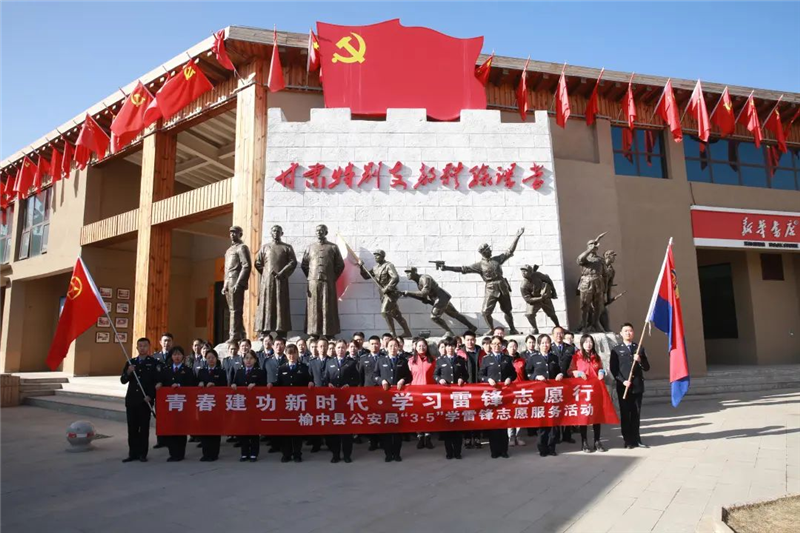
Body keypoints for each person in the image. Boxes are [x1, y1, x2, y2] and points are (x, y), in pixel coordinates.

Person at [610, 323, 650, 449]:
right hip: (624, 387)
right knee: (625, 414)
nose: (628, 333)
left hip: (637, 386)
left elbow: (647, 367)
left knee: (636, 414)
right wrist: (623, 381)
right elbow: (614, 369)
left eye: (630, 331)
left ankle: (637, 439)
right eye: (625, 331)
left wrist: (640, 360)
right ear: (621, 334)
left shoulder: (639, 348)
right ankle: (627, 440)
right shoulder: (616, 350)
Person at [121, 337, 161, 463]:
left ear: (149, 347)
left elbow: (157, 382)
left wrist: (151, 396)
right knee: (132, 429)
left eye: (145, 346)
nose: (142, 348)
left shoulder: (154, 363)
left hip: (145, 401)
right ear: (137, 348)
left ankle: (142, 453)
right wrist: (128, 372)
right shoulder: (131, 362)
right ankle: (132, 453)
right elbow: (123, 380)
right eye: (140, 346)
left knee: (143, 429)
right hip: (132, 400)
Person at [525, 334, 564, 457]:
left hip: (552, 394)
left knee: (553, 422)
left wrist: (560, 375)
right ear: (539, 344)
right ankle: (542, 448)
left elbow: (559, 371)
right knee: (542, 422)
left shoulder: (554, 357)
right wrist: (536, 377)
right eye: (542, 343)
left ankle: (552, 447)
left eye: (547, 342)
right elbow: (527, 373)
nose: (545, 345)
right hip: (540, 394)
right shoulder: (533, 357)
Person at [157, 346, 197, 462]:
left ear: (183, 357)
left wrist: (179, 386)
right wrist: (160, 384)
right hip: (170, 405)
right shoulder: (166, 370)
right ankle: (172, 453)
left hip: (183, 405)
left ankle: (180, 453)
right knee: (171, 428)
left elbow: (192, 385)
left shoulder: (187, 370)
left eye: (179, 354)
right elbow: (162, 382)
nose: (177, 357)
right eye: (174, 355)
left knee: (181, 429)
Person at [569, 334, 608, 453]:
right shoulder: (576, 357)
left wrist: (602, 372)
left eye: (590, 342)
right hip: (582, 391)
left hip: (595, 390)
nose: (588, 344)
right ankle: (584, 442)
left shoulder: (596, 357)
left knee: (596, 416)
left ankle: (597, 441)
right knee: (584, 416)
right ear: (582, 344)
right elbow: (570, 371)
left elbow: (601, 368)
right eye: (586, 342)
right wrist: (577, 373)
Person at [276, 344, 315, 463]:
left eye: (294, 353)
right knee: (286, 429)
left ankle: (297, 453)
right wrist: (271, 384)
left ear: (297, 354)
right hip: (286, 403)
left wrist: (311, 383)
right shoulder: (282, 368)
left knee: (297, 430)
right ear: (286, 355)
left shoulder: (303, 367)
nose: (291, 356)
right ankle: (286, 454)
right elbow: (278, 383)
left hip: (299, 403)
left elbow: (309, 380)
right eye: (289, 353)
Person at [323, 339, 360, 463]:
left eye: (343, 347)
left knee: (346, 430)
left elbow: (357, 379)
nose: (340, 350)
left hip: (347, 401)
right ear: (335, 349)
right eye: (338, 347)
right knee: (335, 429)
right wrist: (328, 384)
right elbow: (325, 378)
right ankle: (335, 454)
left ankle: (347, 454)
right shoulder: (330, 362)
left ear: (346, 349)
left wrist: (350, 385)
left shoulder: (352, 363)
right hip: (333, 401)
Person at [480, 336, 516, 458]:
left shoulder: (507, 358)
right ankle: (494, 451)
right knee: (493, 424)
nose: (496, 346)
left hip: (504, 395)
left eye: (498, 344)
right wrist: (487, 379)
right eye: (494, 344)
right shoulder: (486, 359)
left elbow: (513, 374)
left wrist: (509, 378)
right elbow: (481, 375)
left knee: (503, 422)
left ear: (502, 345)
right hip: (492, 395)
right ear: (490, 345)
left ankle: (504, 450)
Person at [376, 338, 412, 462]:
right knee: (387, 428)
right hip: (385, 398)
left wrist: (403, 380)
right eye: (390, 346)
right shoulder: (381, 360)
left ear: (399, 347)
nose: (393, 348)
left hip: (398, 399)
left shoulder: (403, 361)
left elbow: (409, 376)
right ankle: (388, 453)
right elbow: (375, 375)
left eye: (395, 345)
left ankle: (397, 453)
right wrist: (381, 381)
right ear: (386, 347)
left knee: (397, 428)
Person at [434, 337, 468, 459]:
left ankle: (458, 452)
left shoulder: (460, 360)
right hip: (446, 397)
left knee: (458, 425)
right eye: (448, 346)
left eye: (452, 346)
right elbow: (435, 374)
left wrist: (462, 379)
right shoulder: (440, 360)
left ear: (455, 347)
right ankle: (449, 452)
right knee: (448, 425)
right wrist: (439, 380)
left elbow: (466, 374)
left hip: (457, 397)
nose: (450, 348)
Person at [231, 351, 266, 461]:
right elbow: (234, 382)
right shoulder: (239, 372)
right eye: (246, 358)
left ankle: (254, 453)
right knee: (243, 430)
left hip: (255, 405)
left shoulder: (260, 372)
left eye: (251, 358)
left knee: (254, 429)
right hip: (242, 405)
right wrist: (233, 385)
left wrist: (256, 385)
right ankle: (244, 452)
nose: (248, 360)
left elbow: (264, 386)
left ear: (255, 360)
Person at [196, 349, 227, 461]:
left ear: (216, 359)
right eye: (208, 358)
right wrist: (200, 384)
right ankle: (205, 453)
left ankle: (214, 454)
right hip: (204, 404)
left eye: (213, 357)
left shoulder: (221, 371)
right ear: (205, 359)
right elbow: (197, 384)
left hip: (216, 404)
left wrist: (215, 385)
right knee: (204, 428)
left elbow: (224, 386)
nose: (211, 360)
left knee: (215, 429)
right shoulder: (201, 371)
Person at [408, 338, 436, 450]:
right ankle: (420, 436)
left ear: (427, 347)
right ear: (415, 347)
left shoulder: (433, 360)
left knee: (428, 414)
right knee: (418, 415)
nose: (421, 348)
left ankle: (428, 437)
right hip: (416, 392)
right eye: (419, 346)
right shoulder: (411, 361)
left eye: (423, 345)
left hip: (430, 392)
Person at [551, 326, 576, 444]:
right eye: (556, 333)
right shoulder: (549, 347)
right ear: (552, 335)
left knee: (567, 409)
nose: (559, 335)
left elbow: (575, 363)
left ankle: (567, 435)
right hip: (554, 383)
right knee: (555, 409)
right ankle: (556, 436)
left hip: (567, 382)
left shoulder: (570, 348)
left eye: (561, 333)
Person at [459, 331, 483, 449]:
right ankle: (467, 437)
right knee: (467, 413)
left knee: (478, 412)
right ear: (464, 340)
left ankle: (477, 437)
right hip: (465, 387)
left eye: (472, 339)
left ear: (475, 340)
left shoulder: (481, 352)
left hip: (478, 387)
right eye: (468, 340)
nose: (470, 342)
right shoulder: (460, 353)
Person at [358, 336, 382, 451]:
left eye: (376, 343)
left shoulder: (384, 357)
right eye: (372, 344)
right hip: (369, 391)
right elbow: (360, 376)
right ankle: (373, 441)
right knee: (371, 417)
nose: (374, 346)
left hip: (382, 391)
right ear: (368, 345)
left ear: (380, 345)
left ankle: (382, 441)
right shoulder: (363, 359)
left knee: (382, 416)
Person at [151, 332, 173, 450]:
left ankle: (170, 439)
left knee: (171, 416)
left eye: (169, 341)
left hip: (171, 391)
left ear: (172, 342)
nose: (167, 343)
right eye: (165, 340)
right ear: (160, 342)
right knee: (160, 416)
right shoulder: (155, 357)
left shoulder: (175, 356)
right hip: (159, 391)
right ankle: (161, 440)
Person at [307, 339, 329, 453]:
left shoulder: (332, 361)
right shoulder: (312, 362)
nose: (322, 348)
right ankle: (317, 443)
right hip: (316, 395)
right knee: (316, 420)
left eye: (324, 346)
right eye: (320, 346)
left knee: (329, 419)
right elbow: (309, 376)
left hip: (330, 395)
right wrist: (310, 382)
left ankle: (330, 443)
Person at [507, 339, 527, 447]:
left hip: (521, 390)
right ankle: (511, 436)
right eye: (510, 346)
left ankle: (519, 436)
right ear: (507, 348)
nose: (513, 348)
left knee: (520, 413)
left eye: (514, 346)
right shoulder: (504, 360)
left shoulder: (522, 360)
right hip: (509, 390)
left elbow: (526, 375)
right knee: (510, 414)